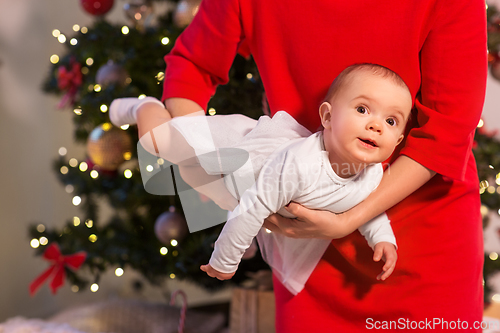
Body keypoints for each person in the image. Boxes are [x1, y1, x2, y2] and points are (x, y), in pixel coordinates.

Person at [126, 0, 488, 331]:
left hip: (427, 248)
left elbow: (446, 133)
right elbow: (192, 65)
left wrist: (348, 219)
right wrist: (211, 177)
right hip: (307, 252)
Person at [110, 63, 412, 295]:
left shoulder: (372, 174)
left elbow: (368, 204)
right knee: (157, 143)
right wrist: (226, 259)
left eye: (390, 121)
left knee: (192, 175)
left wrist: (383, 238)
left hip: (242, 189)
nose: (376, 126)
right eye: (362, 109)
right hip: (238, 154)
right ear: (328, 118)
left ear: (397, 141)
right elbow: (251, 209)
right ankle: (143, 106)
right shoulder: (299, 164)